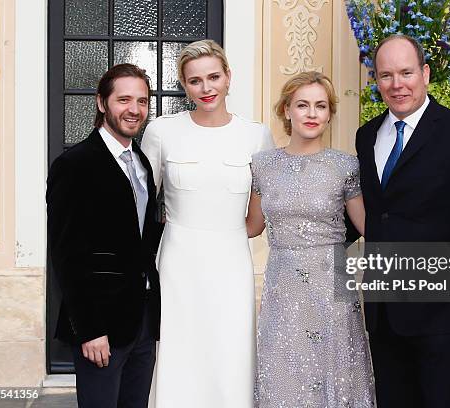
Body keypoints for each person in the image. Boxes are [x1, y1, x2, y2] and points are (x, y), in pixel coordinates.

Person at [355, 34, 450, 407]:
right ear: (376, 80)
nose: (397, 84)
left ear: (425, 73)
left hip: (443, 307)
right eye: (386, 75)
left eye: (407, 72)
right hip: (384, 308)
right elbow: (373, 212)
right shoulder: (366, 136)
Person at [141, 39, 274, 407]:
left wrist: (225, 231)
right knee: (178, 351)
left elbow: (256, 220)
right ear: (184, 86)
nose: (206, 88)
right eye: (195, 81)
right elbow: (139, 199)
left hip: (231, 261)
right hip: (177, 263)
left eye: (214, 77)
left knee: (231, 351)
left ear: (229, 77)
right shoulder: (162, 131)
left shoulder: (256, 134)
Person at [248, 71, 375, 407]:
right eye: (302, 105)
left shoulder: (346, 166)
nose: (312, 113)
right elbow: (251, 226)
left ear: (330, 113)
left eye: (320, 106)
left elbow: (368, 227)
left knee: (335, 370)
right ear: (286, 110)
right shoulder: (262, 165)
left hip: (332, 286)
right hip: (282, 287)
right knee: (285, 372)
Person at [46, 63, 161, 408]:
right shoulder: (75, 165)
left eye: (142, 101)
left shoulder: (140, 162)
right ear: (101, 102)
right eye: (124, 99)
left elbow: (138, 236)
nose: (134, 110)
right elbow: (67, 256)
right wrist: (89, 329)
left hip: (142, 319)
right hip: (102, 325)